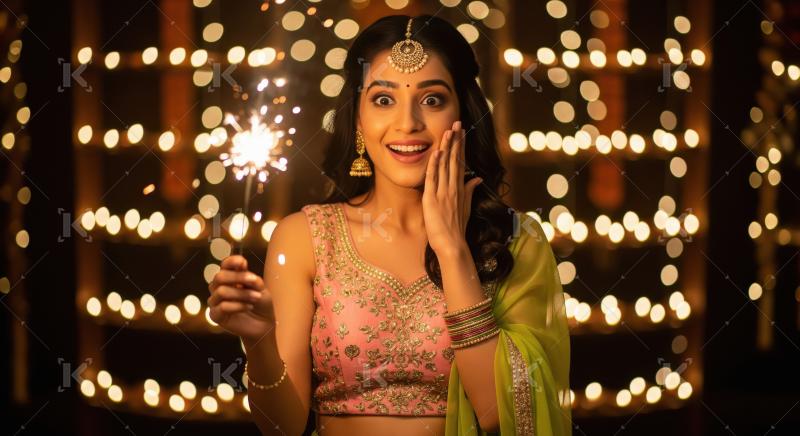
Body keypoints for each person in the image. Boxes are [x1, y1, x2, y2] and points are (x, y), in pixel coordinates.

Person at [208, 14, 571, 436]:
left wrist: (452, 249)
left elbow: (500, 415)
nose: (407, 123)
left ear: (463, 114)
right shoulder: (305, 237)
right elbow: (281, 427)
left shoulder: (514, 240)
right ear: (358, 121)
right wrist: (259, 343)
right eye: (383, 99)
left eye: (432, 99)